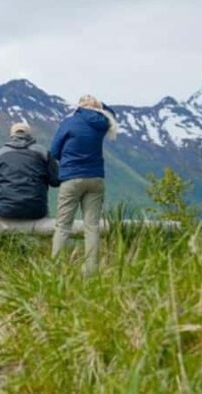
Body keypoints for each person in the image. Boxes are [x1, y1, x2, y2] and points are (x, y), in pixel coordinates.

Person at [50, 94, 117, 275]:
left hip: (72, 178)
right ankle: (91, 272)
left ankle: (56, 271)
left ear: (79, 107)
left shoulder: (70, 122)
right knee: (92, 227)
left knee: (63, 226)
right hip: (96, 179)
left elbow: (54, 151)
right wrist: (101, 104)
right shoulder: (102, 123)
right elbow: (112, 114)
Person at [0, 123, 59, 219]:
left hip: (6, 210)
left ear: (11, 135)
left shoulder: (0, 154)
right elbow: (55, 181)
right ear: (29, 135)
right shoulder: (43, 152)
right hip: (37, 210)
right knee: (46, 216)